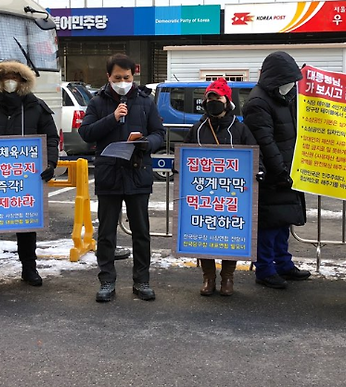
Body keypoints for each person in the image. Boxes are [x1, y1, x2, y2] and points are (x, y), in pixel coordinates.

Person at [0, 61, 59, 288]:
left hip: (25, 178)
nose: (10, 82)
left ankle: (29, 268)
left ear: (24, 81)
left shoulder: (37, 107)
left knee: (26, 222)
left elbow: (51, 137)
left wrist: (50, 162)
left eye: (15, 77)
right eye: (5, 77)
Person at [79, 53, 165, 302]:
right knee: (106, 233)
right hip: (109, 175)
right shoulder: (97, 102)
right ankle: (107, 281)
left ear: (133, 76)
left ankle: (142, 281)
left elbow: (159, 132)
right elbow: (86, 132)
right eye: (117, 77)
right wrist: (113, 118)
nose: (123, 81)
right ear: (108, 77)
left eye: (127, 77)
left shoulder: (145, 101)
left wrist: (147, 144)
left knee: (141, 232)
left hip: (138, 172)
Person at [242, 51, 311, 289]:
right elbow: (265, 142)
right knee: (269, 225)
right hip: (272, 176)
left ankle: (283, 263)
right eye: (286, 81)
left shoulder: (284, 97)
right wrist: (281, 172)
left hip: (287, 172)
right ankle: (265, 269)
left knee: (283, 222)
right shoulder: (258, 102)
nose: (290, 86)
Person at [183, 78, 258, 296]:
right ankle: (208, 277)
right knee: (202, 233)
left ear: (227, 101)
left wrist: (258, 171)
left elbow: (254, 155)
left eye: (218, 97)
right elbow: (184, 157)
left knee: (231, 233)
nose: (213, 101)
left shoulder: (240, 129)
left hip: (233, 196)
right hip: (203, 194)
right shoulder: (197, 129)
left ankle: (227, 278)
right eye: (210, 97)